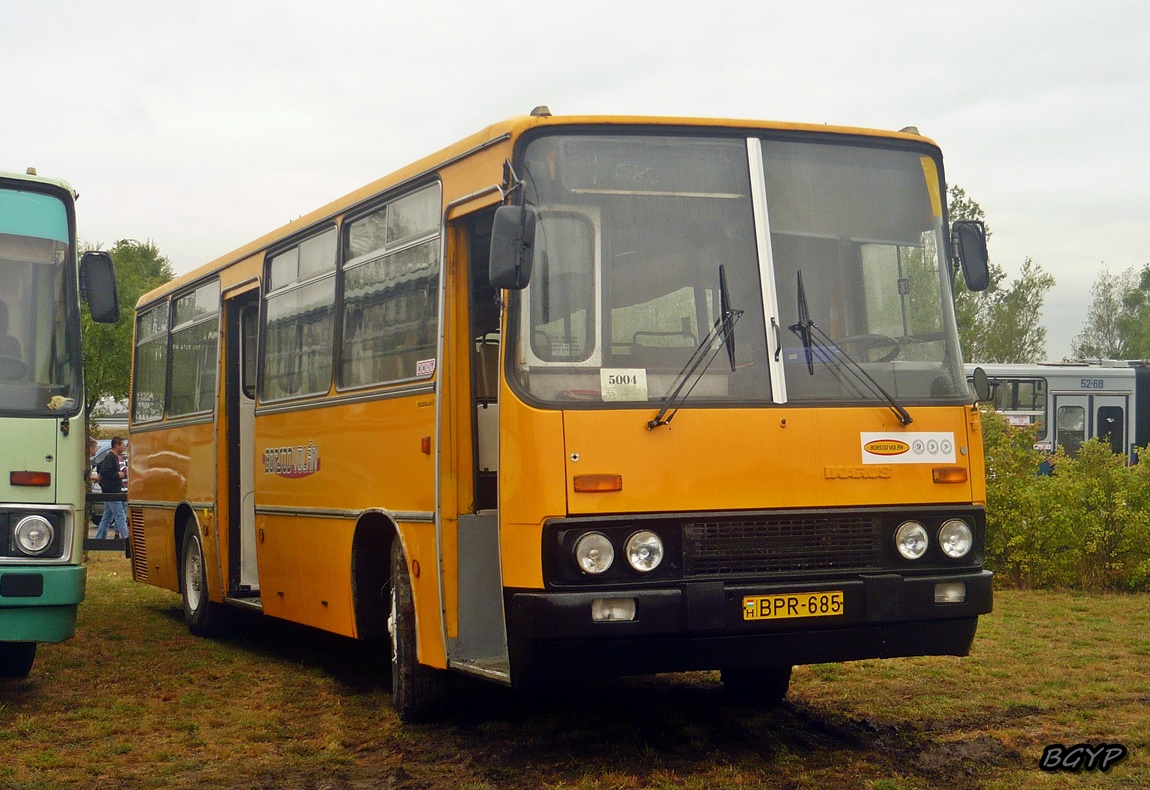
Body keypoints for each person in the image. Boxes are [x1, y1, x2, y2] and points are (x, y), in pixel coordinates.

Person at [96, 436, 128, 540]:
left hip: (112, 490)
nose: (124, 447)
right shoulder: (111, 457)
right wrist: (117, 475)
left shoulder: (112, 457)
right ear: (117, 445)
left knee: (107, 517)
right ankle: (127, 539)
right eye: (122, 445)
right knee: (120, 516)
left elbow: (100, 467)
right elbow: (104, 472)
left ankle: (99, 539)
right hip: (112, 491)